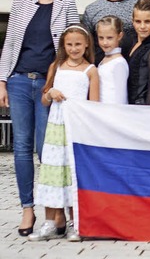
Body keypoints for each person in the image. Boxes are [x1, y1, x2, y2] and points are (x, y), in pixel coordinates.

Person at [0, 0, 79, 237]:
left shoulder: (66, 1)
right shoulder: (21, 1)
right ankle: (27, 209)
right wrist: (2, 82)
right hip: (20, 80)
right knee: (21, 148)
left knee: (49, 149)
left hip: (50, 85)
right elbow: (10, 43)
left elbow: (74, 38)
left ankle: (55, 212)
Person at [28, 24, 99, 242]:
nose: (74, 48)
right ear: (63, 46)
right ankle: (49, 222)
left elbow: (94, 104)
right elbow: (43, 99)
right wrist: (50, 92)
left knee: (73, 173)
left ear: (86, 44)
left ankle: (74, 222)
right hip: (55, 127)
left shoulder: (91, 70)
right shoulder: (56, 66)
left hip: (75, 128)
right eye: (69, 44)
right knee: (52, 172)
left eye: (78, 44)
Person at [82, 0, 141, 65]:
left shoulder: (140, 6)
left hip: (135, 73)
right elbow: (85, 48)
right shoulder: (91, 10)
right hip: (101, 73)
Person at [127, 0, 150, 105]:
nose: (142, 26)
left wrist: (147, 116)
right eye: (138, 21)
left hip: (141, 109)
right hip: (127, 105)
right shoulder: (131, 42)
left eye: (147, 21)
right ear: (132, 21)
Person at [96, 16, 129, 104]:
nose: (105, 42)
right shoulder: (105, 59)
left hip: (112, 113)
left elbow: (121, 98)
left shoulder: (119, 63)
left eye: (109, 38)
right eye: (101, 38)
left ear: (119, 36)